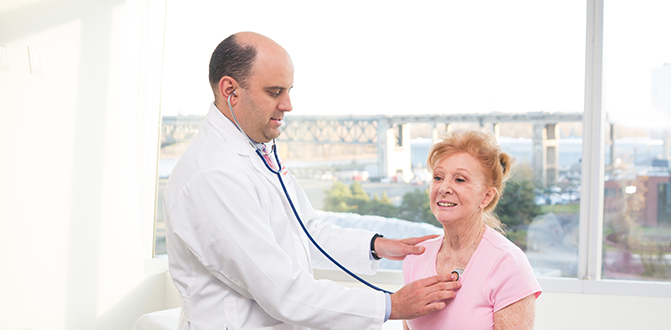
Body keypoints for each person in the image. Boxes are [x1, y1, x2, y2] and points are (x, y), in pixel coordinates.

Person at [164, 32, 460, 330]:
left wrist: (376, 246)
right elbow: (283, 292)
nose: (288, 104)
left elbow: (306, 231)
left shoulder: (253, 152)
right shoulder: (214, 175)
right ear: (230, 90)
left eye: (289, 90)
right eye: (275, 91)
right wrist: (391, 305)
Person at [402, 130, 542, 330]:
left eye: (460, 179)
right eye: (438, 177)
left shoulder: (508, 263)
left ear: (486, 197)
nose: (444, 188)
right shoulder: (417, 255)